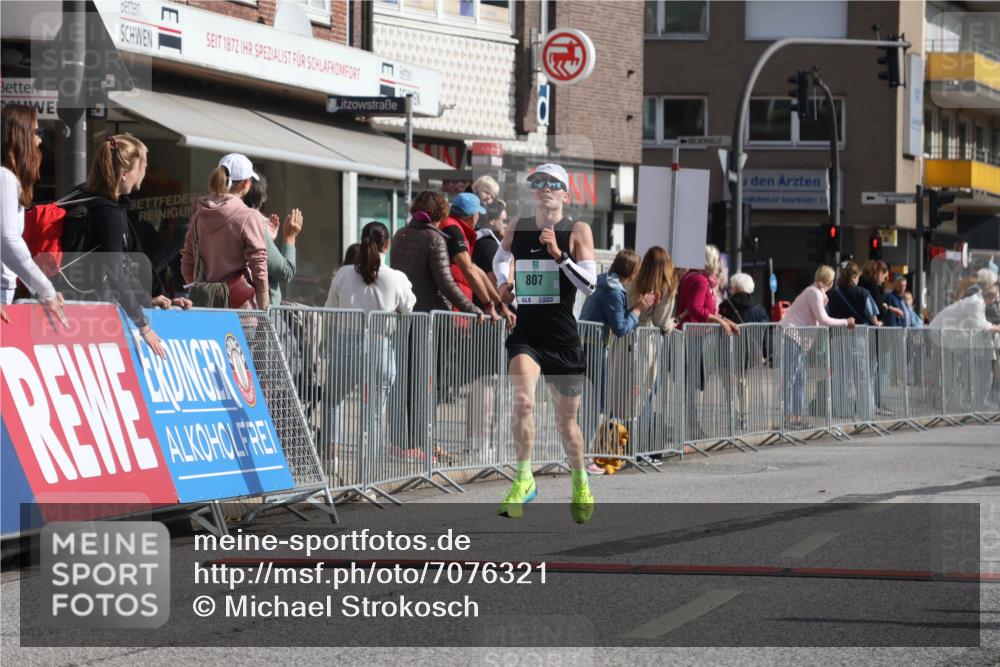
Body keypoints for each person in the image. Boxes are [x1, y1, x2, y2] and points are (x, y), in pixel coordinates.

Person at [492, 162, 598, 523]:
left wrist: (560, 256)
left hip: (563, 337)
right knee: (522, 402)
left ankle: (580, 481)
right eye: (537, 183)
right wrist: (503, 282)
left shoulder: (577, 230)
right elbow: (501, 255)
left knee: (566, 423)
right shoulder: (519, 228)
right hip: (528, 334)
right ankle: (524, 479)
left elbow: (589, 285)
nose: (544, 189)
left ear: (566, 194)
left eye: (553, 184)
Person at [325, 221, 416, 469]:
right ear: (387, 244)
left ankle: (330, 461)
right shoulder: (396, 278)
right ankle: (367, 471)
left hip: (345, 343)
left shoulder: (344, 274)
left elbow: (329, 310)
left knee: (332, 401)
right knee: (374, 413)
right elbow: (409, 307)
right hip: (380, 345)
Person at [67, 133, 167, 357]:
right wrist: (143, 325)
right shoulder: (108, 213)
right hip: (89, 323)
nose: (144, 172)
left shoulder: (90, 199)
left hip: (78, 313)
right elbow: (115, 272)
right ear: (124, 174)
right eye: (142, 167)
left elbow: (135, 255)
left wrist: (153, 295)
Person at [0, 105, 67, 324]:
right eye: (37, 132)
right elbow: (8, 241)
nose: (40, 141)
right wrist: (45, 290)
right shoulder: (5, 177)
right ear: (20, 136)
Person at [181, 153, 269, 310]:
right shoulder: (248, 216)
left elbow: (187, 262)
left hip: (204, 309)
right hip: (240, 310)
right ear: (246, 183)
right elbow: (259, 270)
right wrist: (264, 309)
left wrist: (200, 291)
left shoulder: (198, 215)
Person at [781, 265, 856, 427]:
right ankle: (788, 418)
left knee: (799, 379)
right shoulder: (814, 293)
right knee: (792, 378)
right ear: (829, 281)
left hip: (796, 338)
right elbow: (823, 319)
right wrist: (846, 322)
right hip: (793, 336)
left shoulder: (814, 292)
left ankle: (796, 418)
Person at [440, 192, 514, 325]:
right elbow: (468, 270)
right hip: (448, 310)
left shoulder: (456, 229)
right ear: (472, 215)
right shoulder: (453, 229)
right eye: (478, 213)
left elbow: (477, 271)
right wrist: (489, 306)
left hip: (454, 309)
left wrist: (499, 304)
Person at [242, 173, 302, 305]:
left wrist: (268, 240)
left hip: (221, 306)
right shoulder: (253, 225)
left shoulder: (212, 218)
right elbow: (285, 272)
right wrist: (289, 238)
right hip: (255, 313)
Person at [675, 244, 739, 334]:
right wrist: (720, 321)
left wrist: (727, 321)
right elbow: (695, 309)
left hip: (689, 334)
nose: (718, 265)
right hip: (693, 335)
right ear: (710, 261)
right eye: (717, 260)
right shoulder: (700, 280)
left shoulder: (690, 276)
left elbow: (705, 311)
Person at [628, 245, 679, 332]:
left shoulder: (632, 278)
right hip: (646, 337)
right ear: (666, 265)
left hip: (626, 332)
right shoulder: (666, 287)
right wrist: (671, 324)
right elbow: (660, 322)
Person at [827, 261, 880, 327]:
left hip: (837, 333)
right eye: (858, 277)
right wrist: (878, 323)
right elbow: (873, 319)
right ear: (854, 277)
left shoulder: (831, 293)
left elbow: (827, 314)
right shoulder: (863, 293)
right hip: (859, 334)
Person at [860, 260, 903, 324]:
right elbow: (880, 310)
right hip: (869, 324)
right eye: (885, 277)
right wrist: (884, 308)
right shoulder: (873, 286)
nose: (884, 281)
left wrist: (887, 307)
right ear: (880, 273)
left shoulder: (860, 283)